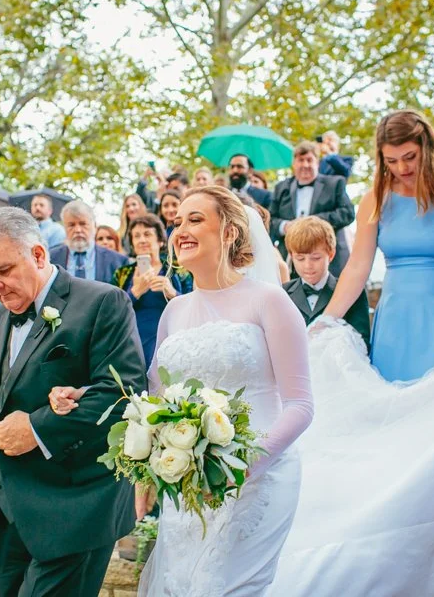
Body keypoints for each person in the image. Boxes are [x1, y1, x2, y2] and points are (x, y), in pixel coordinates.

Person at [133, 185, 313, 594]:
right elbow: (156, 402)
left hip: (258, 478)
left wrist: (242, 467)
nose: (180, 230)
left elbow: (301, 405)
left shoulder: (269, 301)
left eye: (195, 219)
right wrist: (148, 473)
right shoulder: (173, 311)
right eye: (177, 222)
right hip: (187, 483)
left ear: (230, 231)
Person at [0, 207, 144, 596]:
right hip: (5, 513)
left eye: (3, 270)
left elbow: (123, 394)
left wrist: (36, 428)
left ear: (39, 254)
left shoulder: (103, 302)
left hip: (75, 509)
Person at [321, 111, 434, 381]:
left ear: (427, 148)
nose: (402, 168)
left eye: (410, 157)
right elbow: (358, 266)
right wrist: (327, 320)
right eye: (392, 161)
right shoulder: (374, 200)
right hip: (396, 321)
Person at [111, 214, 190, 369]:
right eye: (136, 236)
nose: (142, 240)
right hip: (132, 344)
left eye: (147, 234)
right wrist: (134, 292)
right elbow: (111, 312)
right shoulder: (122, 274)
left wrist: (173, 293)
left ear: (160, 241)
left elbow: (194, 306)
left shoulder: (179, 271)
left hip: (170, 341)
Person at [269, 141, 356, 277]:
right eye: (301, 160)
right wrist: (285, 226)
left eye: (309, 160)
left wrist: (311, 223)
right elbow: (270, 220)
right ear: (294, 164)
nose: (305, 165)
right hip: (291, 263)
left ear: (318, 163)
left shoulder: (335, 183)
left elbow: (348, 213)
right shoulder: (281, 187)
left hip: (329, 262)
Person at [283, 217, 370, 349]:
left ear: (331, 255)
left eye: (316, 258)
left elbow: (362, 342)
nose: (308, 265)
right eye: (300, 258)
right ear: (291, 256)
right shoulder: (282, 292)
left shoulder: (351, 291)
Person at [50, 200, 129, 284]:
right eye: (71, 225)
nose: (78, 230)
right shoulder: (51, 258)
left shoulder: (118, 261)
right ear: (64, 227)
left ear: (94, 226)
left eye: (83, 224)